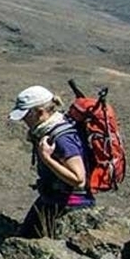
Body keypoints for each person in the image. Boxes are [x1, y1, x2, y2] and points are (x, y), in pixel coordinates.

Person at [8, 85, 93, 238]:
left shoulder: (62, 138)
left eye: (26, 115)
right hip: (51, 199)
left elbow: (79, 179)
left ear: (40, 112)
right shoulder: (48, 129)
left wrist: (47, 158)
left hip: (70, 206)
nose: (23, 121)